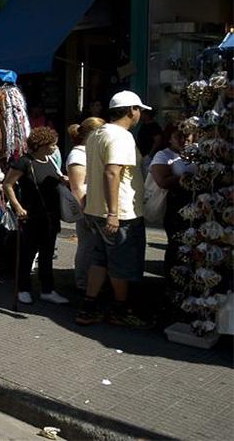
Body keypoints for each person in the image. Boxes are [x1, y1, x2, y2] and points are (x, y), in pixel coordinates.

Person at [75, 91, 152, 328]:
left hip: (96, 210)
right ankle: (121, 310)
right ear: (131, 110)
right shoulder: (122, 137)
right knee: (121, 264)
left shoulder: (97, 134)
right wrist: (114, 213)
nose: (140, 114)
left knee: (100, 260)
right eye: (139, 110)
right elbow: (112, 171)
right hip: (120, 214)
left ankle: (89, 307)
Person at [2, 127, 70, 305]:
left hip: (51, 215)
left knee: (47, 254)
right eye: (52, 145)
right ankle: (23, 288)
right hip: (32, 215)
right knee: (28, 254)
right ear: (41, 145)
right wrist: (17, 207)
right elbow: (8, 184)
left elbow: (56, 179)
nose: (55, 148)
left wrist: (64, 180)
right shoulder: (25, 162)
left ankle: (47, 290)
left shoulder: (51, 161)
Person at [66, 117, 107, 290]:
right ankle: (82, 282)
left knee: (95, 247)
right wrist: (86, 211)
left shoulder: (92, 152)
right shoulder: (78, 155)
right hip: (88, 208)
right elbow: (77, 188)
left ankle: (91, 282)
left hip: (97, 207)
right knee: (88, 246)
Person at [150, 122, 195, 278]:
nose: (184, 140)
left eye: (186, 135)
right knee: (176, 244)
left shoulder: (197, 153)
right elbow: (162, 181)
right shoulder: (163, 155)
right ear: (169, 138)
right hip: (176, 205)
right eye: (178, 136)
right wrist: (185, 178)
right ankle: (172, 280)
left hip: (196, 204)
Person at [136, 109, 163, 174]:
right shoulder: (144, 125)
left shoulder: (154, 126)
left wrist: (150, 154)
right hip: (142, 155)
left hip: (149, 156)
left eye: (143, 114)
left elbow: (158, 141)